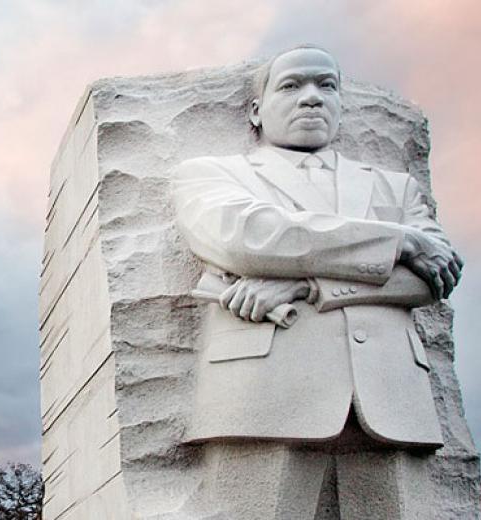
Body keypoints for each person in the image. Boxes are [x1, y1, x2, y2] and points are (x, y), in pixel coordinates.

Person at [171, 45, 463, 519]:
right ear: (256, 110)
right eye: (291, 85)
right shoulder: (214, 174)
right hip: (264, 394)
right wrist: (399, 242)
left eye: (327, 86)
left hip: (391, 394)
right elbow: (249, 238)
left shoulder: (395, 187)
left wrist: (308, 287)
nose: (312, 98)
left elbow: (431, 279)